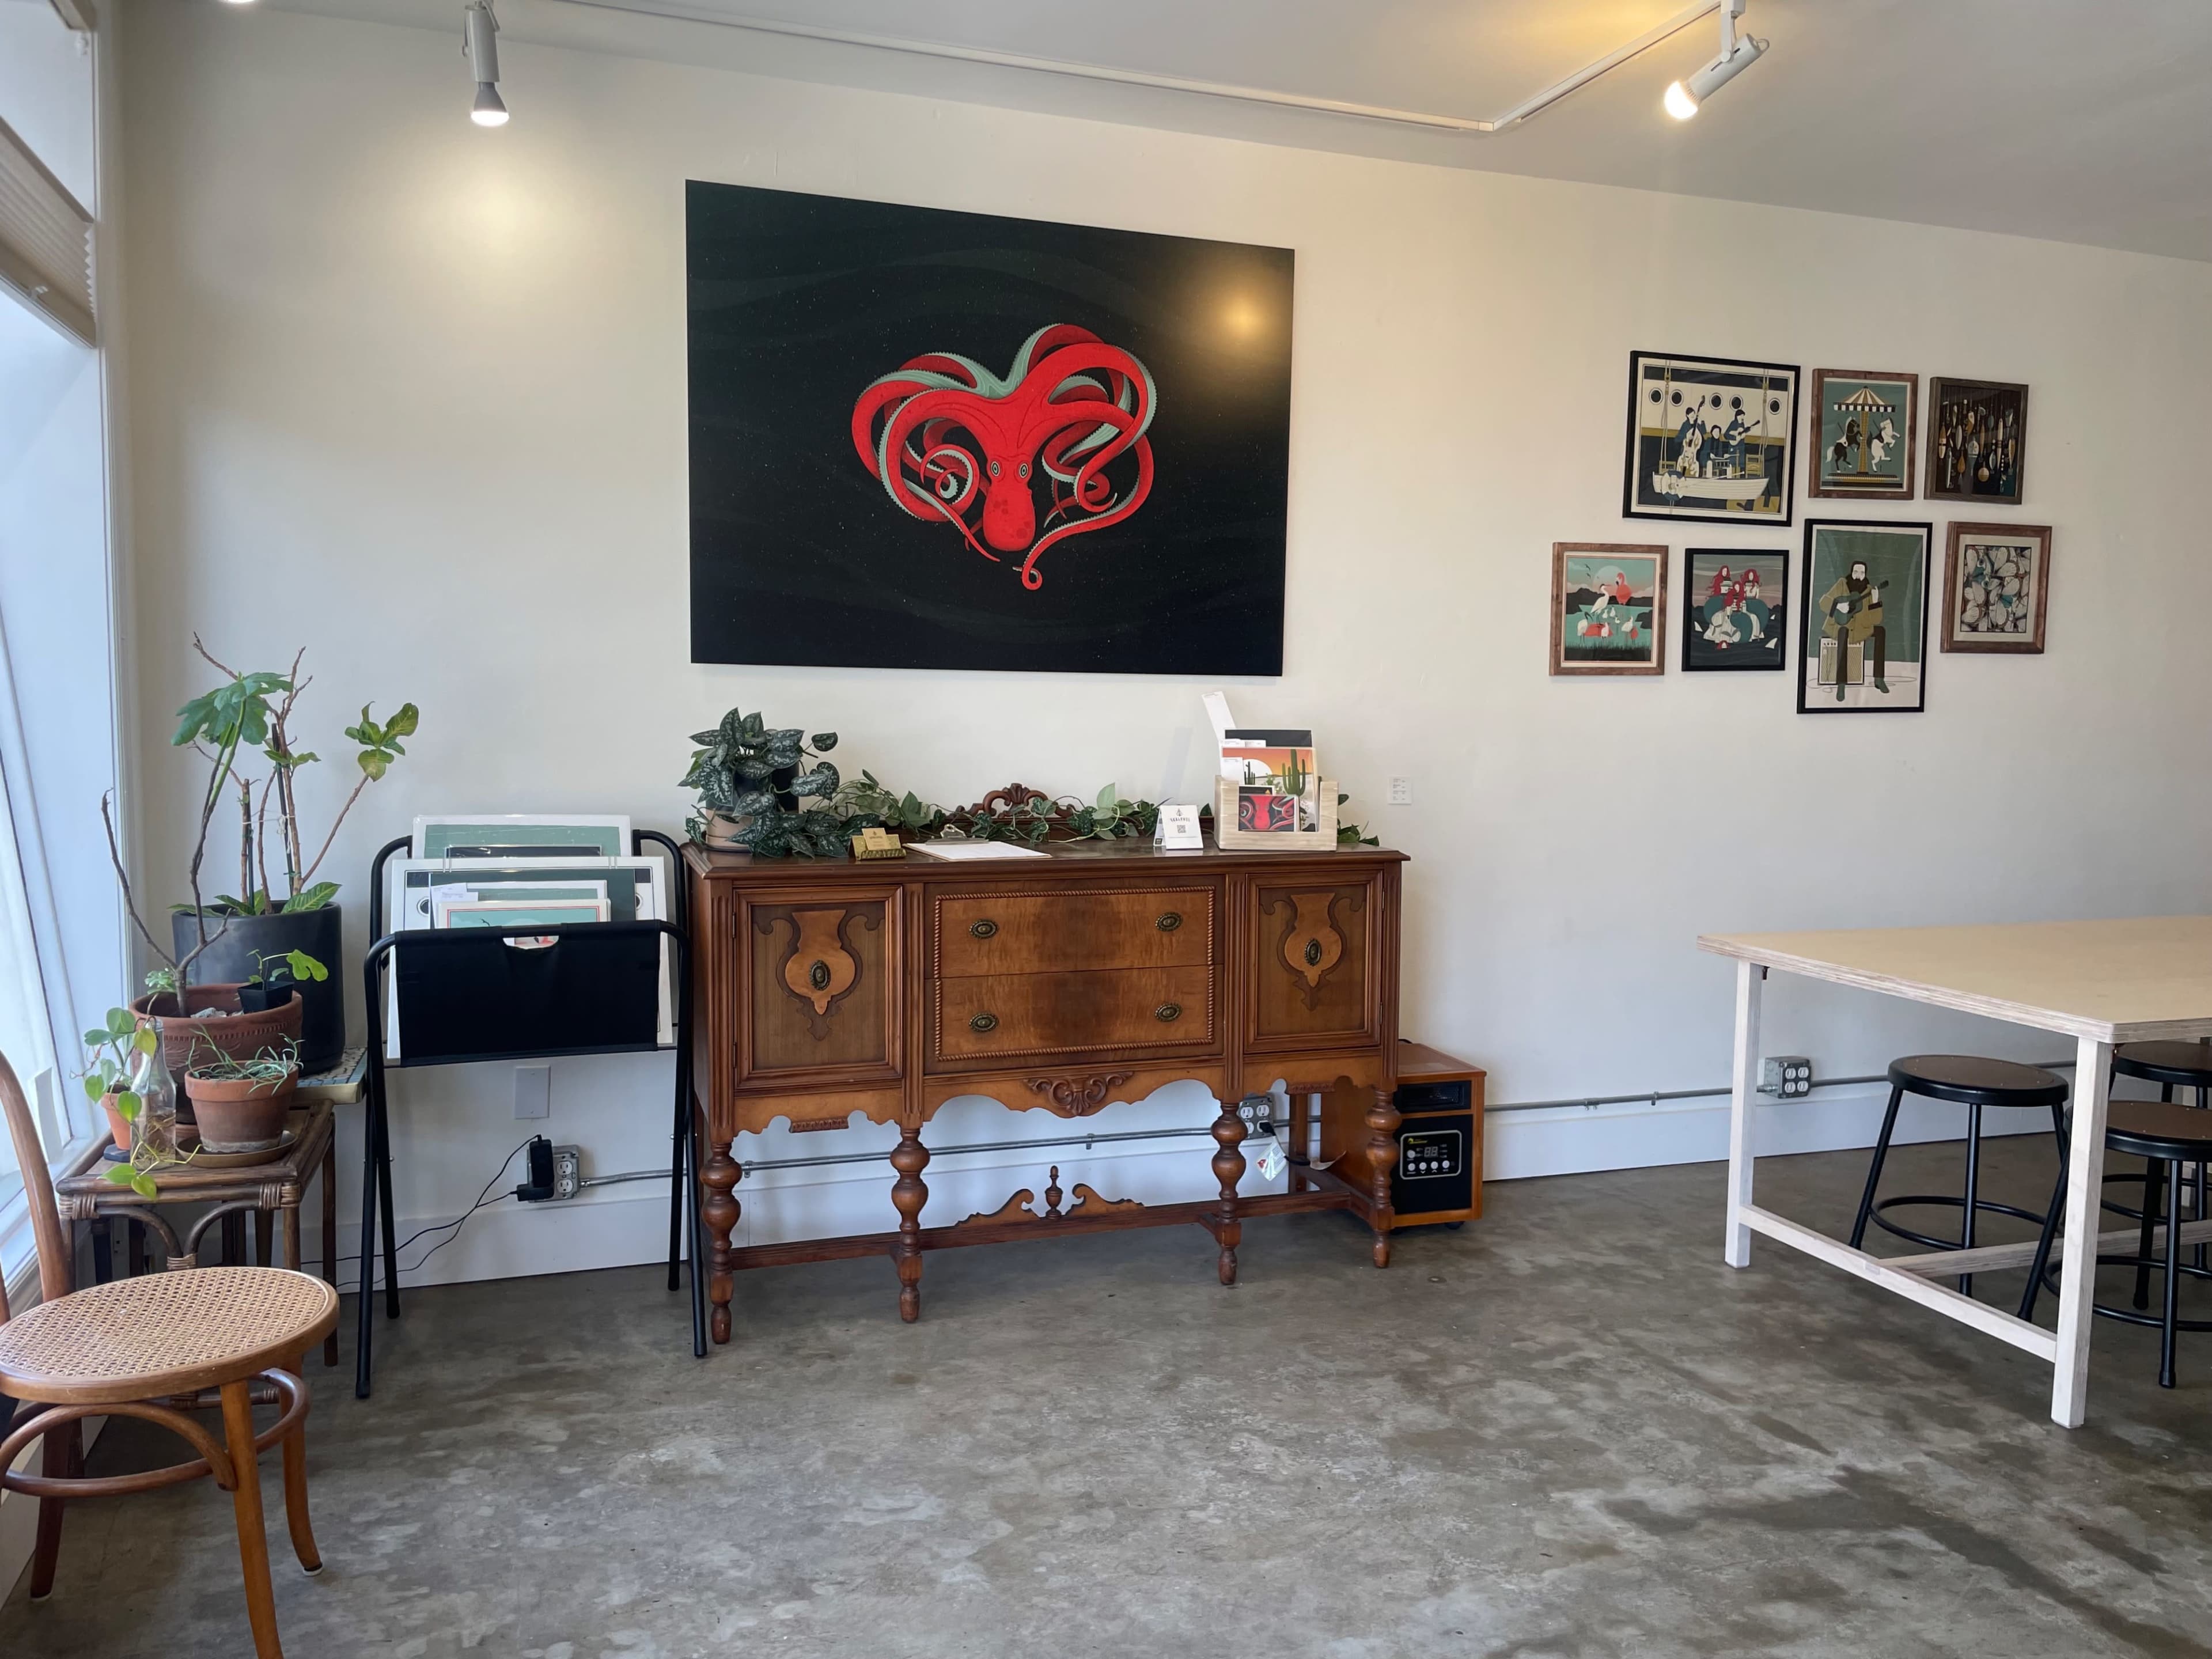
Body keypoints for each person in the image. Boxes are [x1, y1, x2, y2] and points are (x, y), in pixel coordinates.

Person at [1818, 558, 1888, 700]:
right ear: (1851, 572)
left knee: (1881, 631)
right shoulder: (1841, 584)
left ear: (1865, 574)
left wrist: (1875, 601)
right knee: (1842, 632)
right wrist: (1838, 606)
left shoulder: (1870, 590)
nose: (1858, 575)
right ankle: (1841, 684)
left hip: (1860, 628)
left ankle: (1879, 679)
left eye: (1862, 572)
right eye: (1856, 571)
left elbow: (1876, 620)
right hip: (1841, 625)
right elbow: (1823, 602)